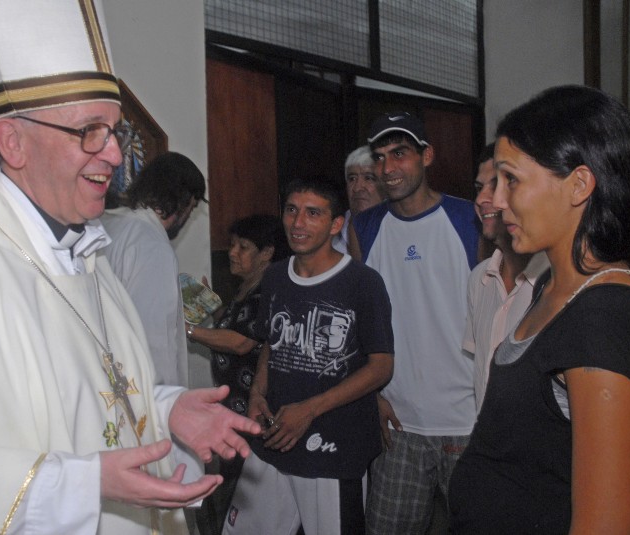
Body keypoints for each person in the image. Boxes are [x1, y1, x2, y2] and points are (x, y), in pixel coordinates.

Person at [0, 1, 260, 534]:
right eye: (89, 133)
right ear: (12, 141)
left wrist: (166, 408)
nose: (115, 157)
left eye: (115, 133)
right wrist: (76, 484)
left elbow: (97, 396)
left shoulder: (89, 256)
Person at [448, 85, 630, 534]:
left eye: (511, 179)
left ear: (578, 184)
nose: (495, 200)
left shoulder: (609, 320)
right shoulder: (554, 285)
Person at [224, 176, 395, 535]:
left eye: (313, 213)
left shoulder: (362, 282)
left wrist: (310, 409)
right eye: (291, 210)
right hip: (272, 440)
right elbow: (271, 341)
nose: (298, 223)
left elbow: (381, 367)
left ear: (336, 224)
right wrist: (257, 392)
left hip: (332, 447)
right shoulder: (274, 277)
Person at [349, 111, 479, 533]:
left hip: (469, 421)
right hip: (397, 424)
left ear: (427, 156)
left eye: (400, 154)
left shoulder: (470, 220)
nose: (388, 169)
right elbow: (356, 320)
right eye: (380, 157)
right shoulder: (365, 227)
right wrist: (371, 396)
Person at [187, 213, 289, 534]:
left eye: (244, 247)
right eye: (232, 245)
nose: (232, 252)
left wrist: (188, 331)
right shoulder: (247, 288)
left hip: (252, 416)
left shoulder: (269, 290)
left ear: (267, 253)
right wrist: (213, 308)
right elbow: (235, 327)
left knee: (239, 500)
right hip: (233, 413)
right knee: (225, 492)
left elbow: (243, 342)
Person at [102, 151, 207, 387]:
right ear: (186, 200)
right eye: (193, 207)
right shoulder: (151, 244)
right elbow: (153, 339)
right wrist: (166, 404)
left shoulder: (110, 225)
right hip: (142, 391)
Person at [462, 143, 548, 412]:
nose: (483, 199)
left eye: (499, 184)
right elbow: (478, 375)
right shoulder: (480, 278)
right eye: (479, 188)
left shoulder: (556, 282)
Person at [333, 145, 386, 254]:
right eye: (352, 179)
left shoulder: (401, 230)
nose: (357, 188)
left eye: (369, 178)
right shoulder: (329, 235)